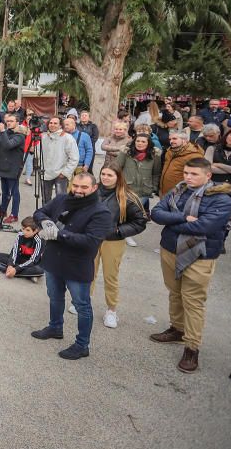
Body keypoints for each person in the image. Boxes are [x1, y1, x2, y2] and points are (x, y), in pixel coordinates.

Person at [149, 158, 231, 372]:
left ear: (208, 176)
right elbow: (156, 213)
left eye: (194, 174)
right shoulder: (177, 190)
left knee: (193, 301)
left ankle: (192, 347)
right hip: (169, 249)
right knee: (174, 293)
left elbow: (205, 226)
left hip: (200, 255)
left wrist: (173, 222)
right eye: (186, 172)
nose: (188, 177)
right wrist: (183, 218)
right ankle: (177, 330)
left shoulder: (221, 199)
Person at [29, 172, 113, 361]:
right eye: (75, 186)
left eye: (84, 187)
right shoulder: (61, 199)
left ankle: (82, 345)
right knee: (55, 296)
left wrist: (60, 235)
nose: (78, 190)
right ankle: (55, 327)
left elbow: (91, 242)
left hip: (77, 266)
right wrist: (46, 221)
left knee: (82, 305)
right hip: (53, 260)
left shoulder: (101, 212)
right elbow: (39, 212)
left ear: (94, 188)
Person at [85, 166, 147, 328]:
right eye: (103, 174)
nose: (105, 177)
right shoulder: (92, 190)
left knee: (110, 276)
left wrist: (119, 231)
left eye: (110, 175)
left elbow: (140, 221)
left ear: (118, 177)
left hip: (113, 241)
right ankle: (84, 301)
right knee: (88, 271)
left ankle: (111, 310)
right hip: (91, 238)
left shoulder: (127, 196)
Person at [115, 133, 161, 214]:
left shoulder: (154, 155)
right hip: (127, 189)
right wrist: (122, 152)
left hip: (144, 191)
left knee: (133, 212)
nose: (140, 143)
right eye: (138, 141)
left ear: (148, 143)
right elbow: (116, 167)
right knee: (123, 212)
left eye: (143, 142)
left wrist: (153, 188)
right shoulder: (127, 153)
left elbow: (156, 173)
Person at [0, 114, 27, 223]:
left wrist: (2, 131)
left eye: (11, 121)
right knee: (4, 191)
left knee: (14, 192)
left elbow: (8, 145)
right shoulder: (6, 133)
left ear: (17, 123)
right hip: (3, 165)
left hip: (13, 168)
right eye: (7, 121)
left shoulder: (20, 136)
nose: (8, 123)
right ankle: (3, 210)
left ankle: (14, 214)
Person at [39, 116, 79, 204]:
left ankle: (59, 217)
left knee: (61, 201)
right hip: (46, 173)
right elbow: (39, 153)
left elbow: (74, 158)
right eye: (51, 123)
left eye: (55, 123)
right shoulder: (44, 137)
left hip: (60, 174)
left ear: (60, 125)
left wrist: (65, 173)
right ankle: (45, 216)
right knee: (45, 199)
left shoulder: (68, 138)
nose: (52, 125)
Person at [0, 216, 44, 282]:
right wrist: (10, 265)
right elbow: (14, 252)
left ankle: (4, 269)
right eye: (23, 229)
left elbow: (33, 260)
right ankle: (28, 275)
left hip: (32, 264)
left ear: (35, 231)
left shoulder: (39, 241)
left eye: (28, 230)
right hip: (20, 260)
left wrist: (16, 269)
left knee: (39, 270)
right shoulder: (20, 235)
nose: (24, 232)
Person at [159, 130, 203, 196]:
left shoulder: (194, 155)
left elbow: (198, 177)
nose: (171, 141)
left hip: (180, 194)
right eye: (170, 139)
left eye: (174, 139)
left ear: (184, 140)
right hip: (164, 191)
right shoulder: (169, 152)